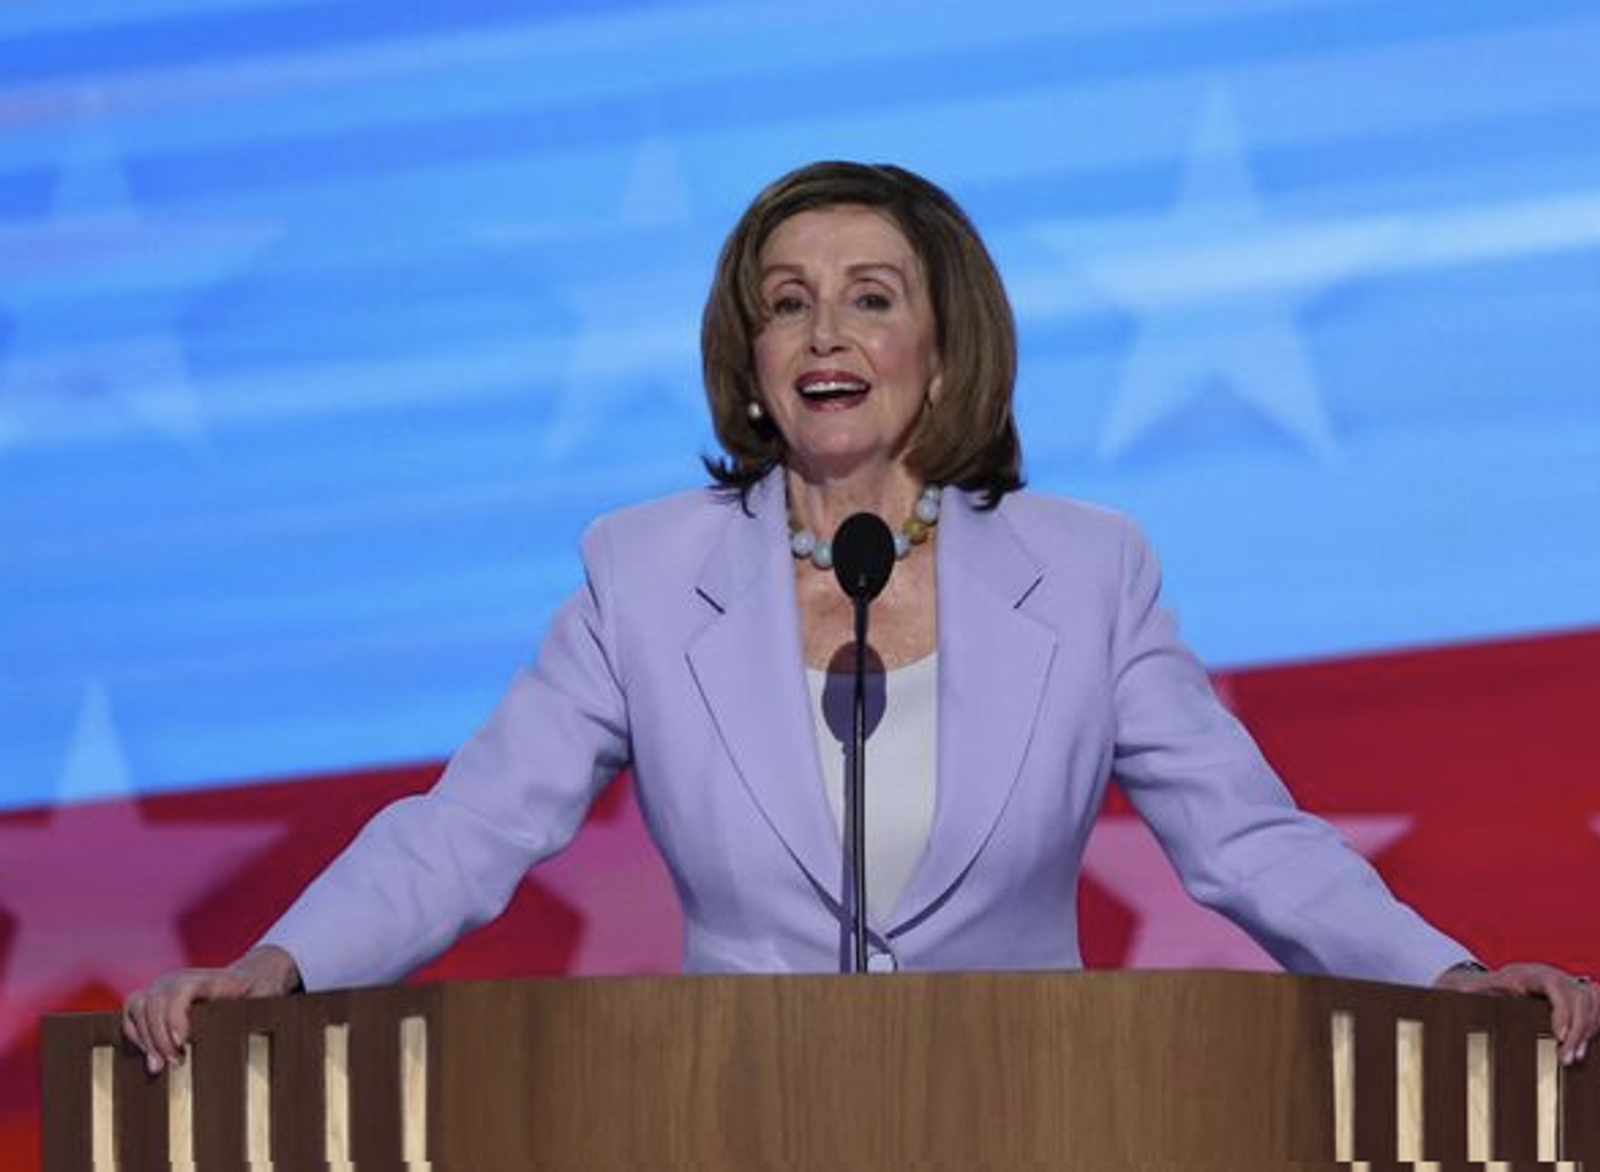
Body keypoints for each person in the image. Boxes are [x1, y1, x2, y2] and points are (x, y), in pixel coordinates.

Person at [123, 160, 1598, 1073]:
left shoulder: (1088, 569)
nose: (824, 332)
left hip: (1042, 1111)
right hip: (729, 1115)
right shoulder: (647, 573)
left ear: (944, 349)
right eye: (786, 303)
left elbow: (1248, 842)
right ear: (753, 358)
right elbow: (471, 827)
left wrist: (1451, 978)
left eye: (870, 297)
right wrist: (280, 967)